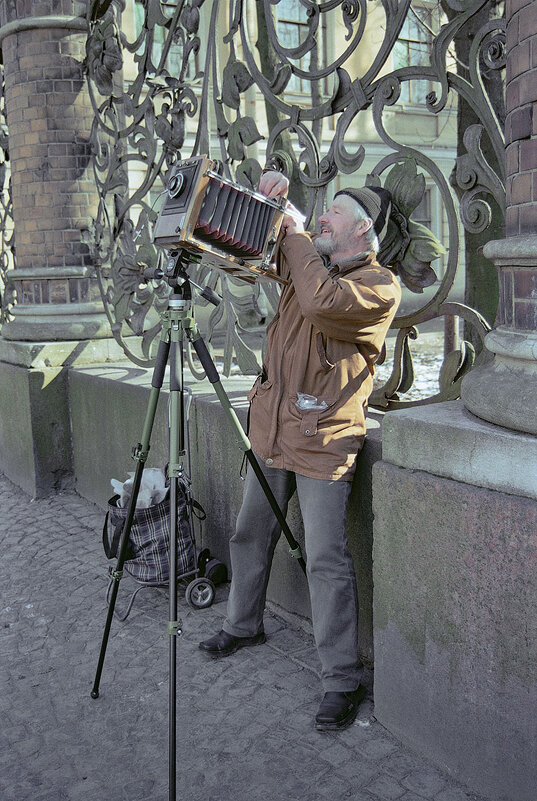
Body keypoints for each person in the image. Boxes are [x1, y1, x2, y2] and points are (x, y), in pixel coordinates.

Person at [199, 170, 402, 731]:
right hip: (272, 429)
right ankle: (243, 624)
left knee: (326, 558)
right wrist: (267, 203)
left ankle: (341, 679)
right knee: (247, 531)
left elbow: (318, 301)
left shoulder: (377, 287)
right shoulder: (306, 263)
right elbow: (241, 251)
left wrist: (293, 233)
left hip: (324, 440)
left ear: (362, 230)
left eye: (331, 214)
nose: (320, 220)